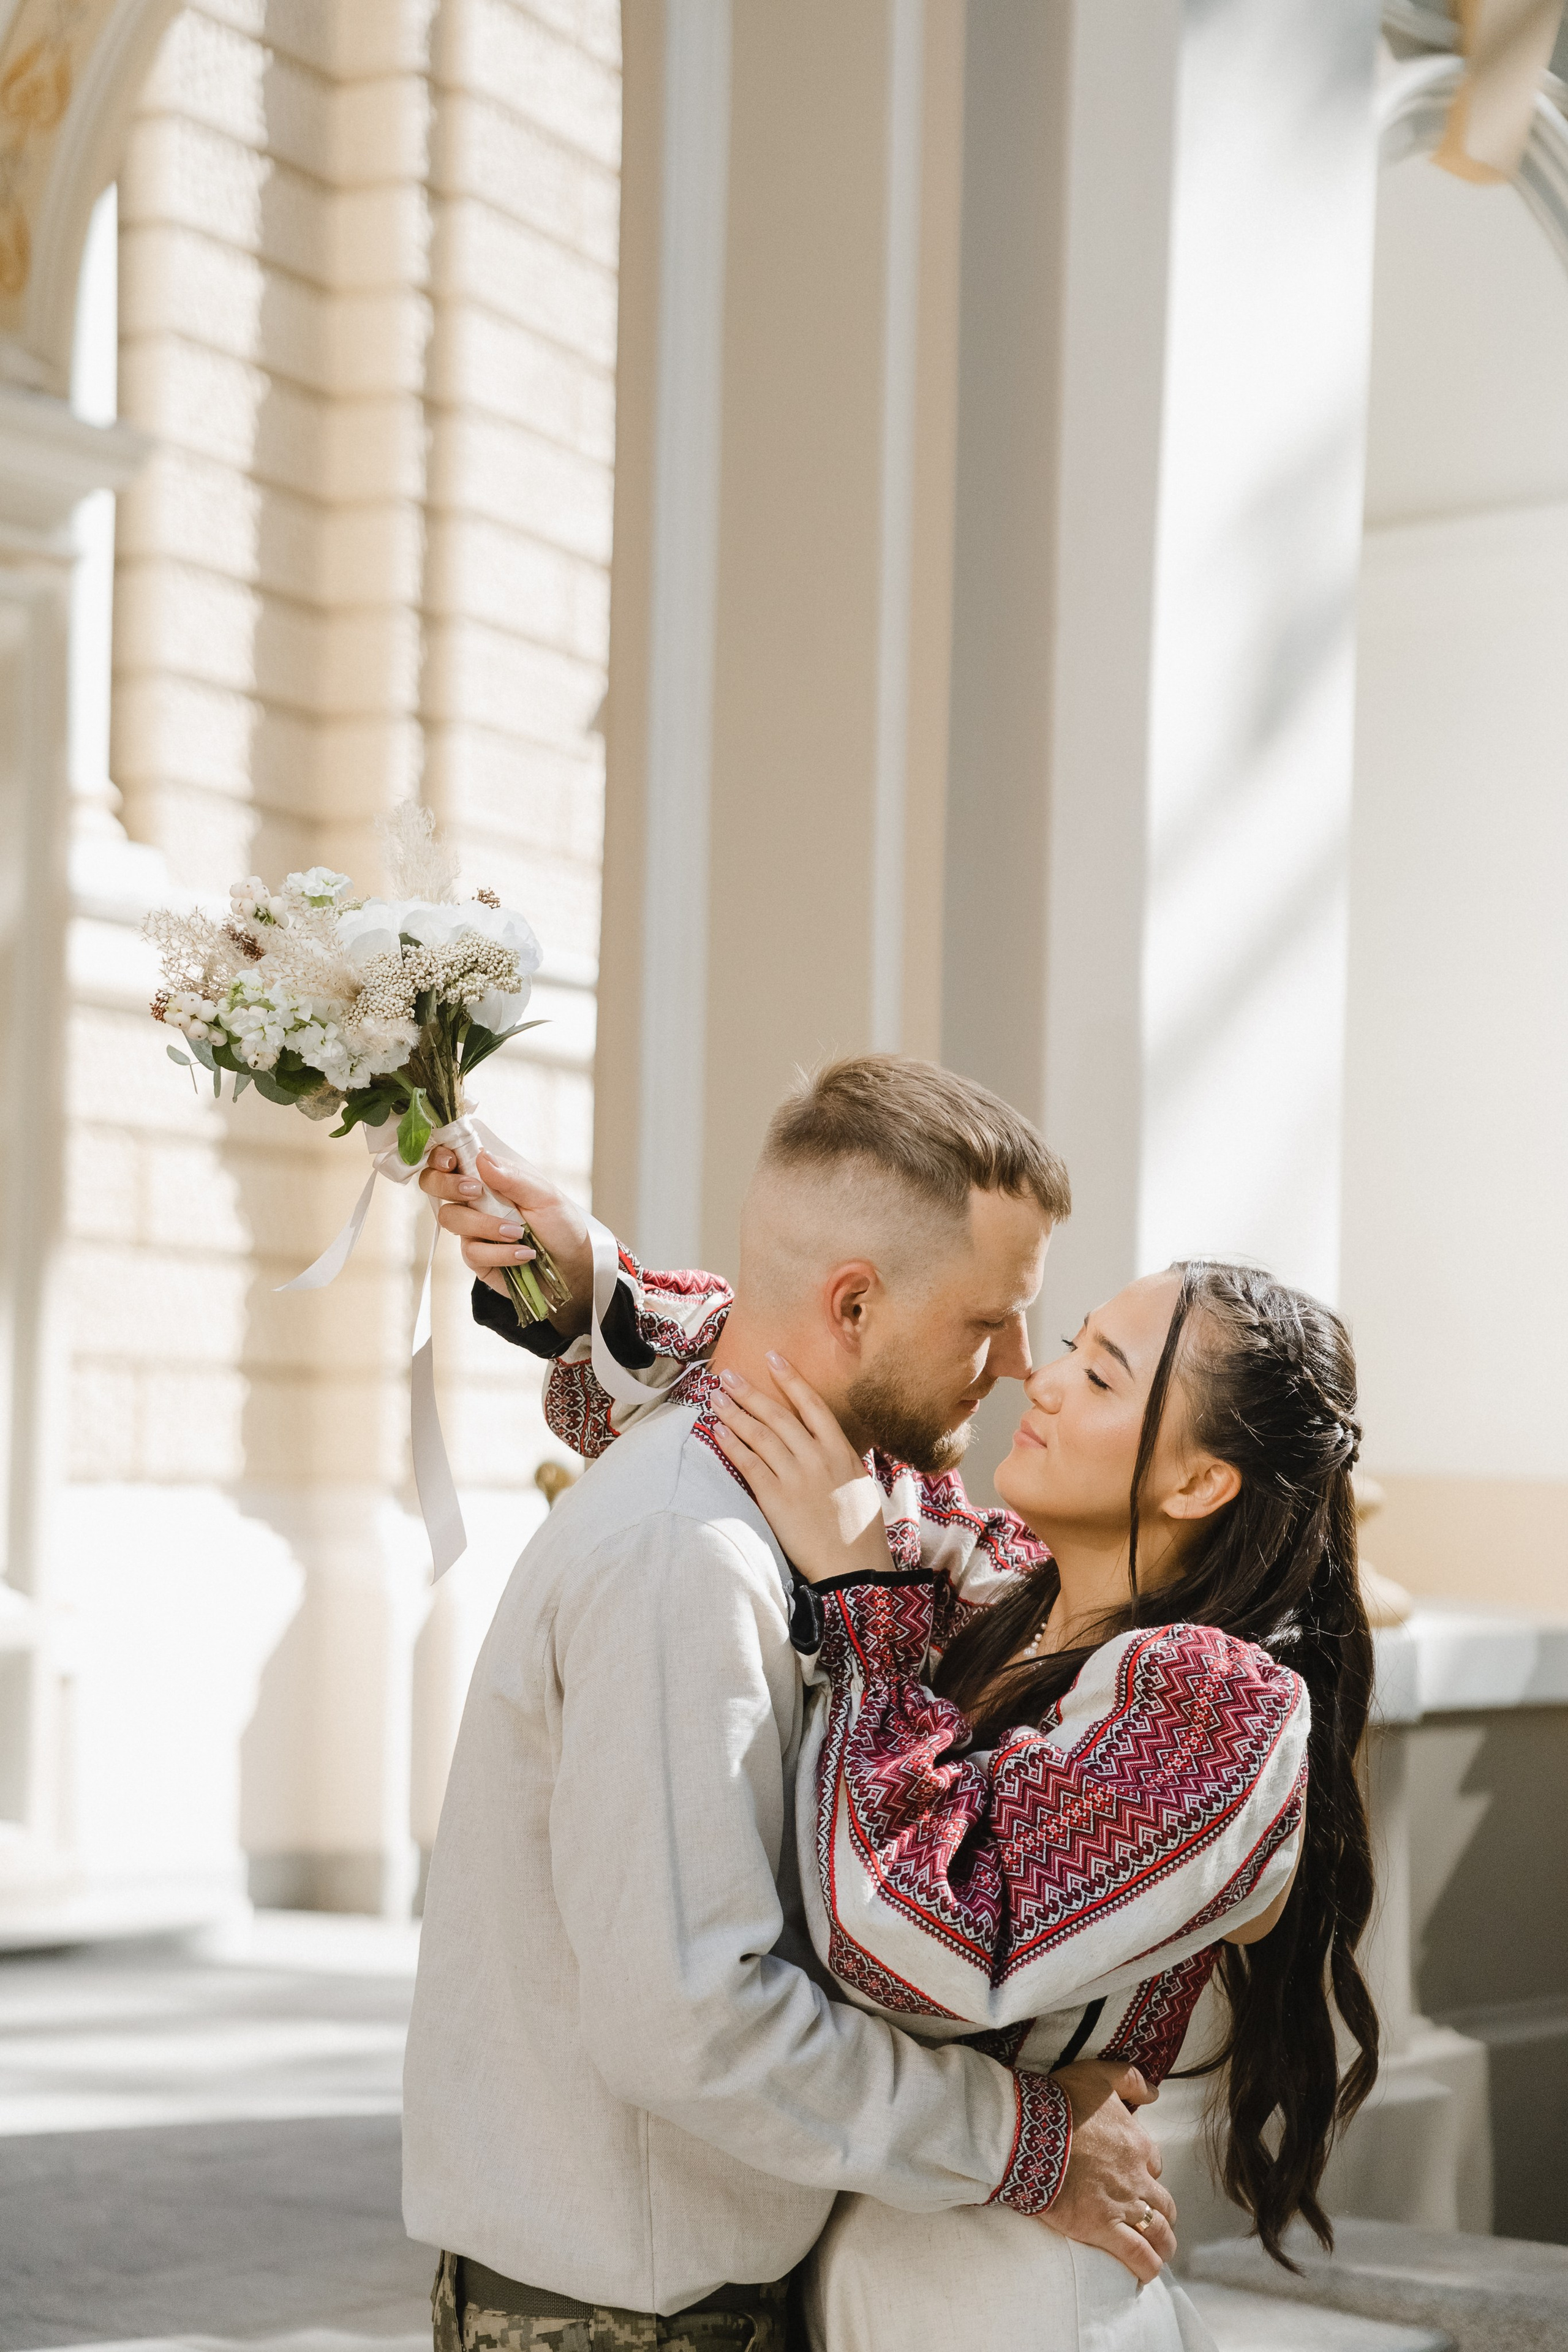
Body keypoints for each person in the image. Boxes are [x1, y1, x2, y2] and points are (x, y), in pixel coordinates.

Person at [414, 1058, 1376, 2348]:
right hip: (839, 2256)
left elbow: (924, 1949)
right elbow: (787, 1410)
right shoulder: (995, 1594)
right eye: (1030, 1334)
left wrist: (859, 1602)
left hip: (1009, 2281)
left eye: (1091, 1374)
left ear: (1200, 1482)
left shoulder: (1210, 1707)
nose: (1028, 1375)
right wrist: (590, 1280)